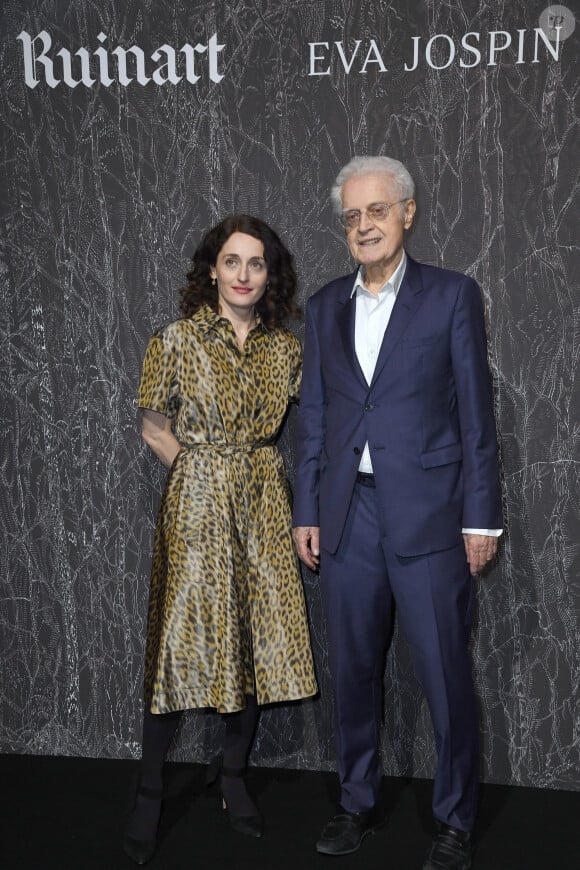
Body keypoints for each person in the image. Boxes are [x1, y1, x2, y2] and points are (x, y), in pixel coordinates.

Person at [293, 156, 502, 870]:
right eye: (351, 216)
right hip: (348, 517)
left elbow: (476, 413)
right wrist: (307, 508)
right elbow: (315, 419)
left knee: (444, 672)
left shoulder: (452, 296)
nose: (363, 226)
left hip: (432, 518)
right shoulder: (323, 307)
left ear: (407, 213)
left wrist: (482, 516)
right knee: (352, 671)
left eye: (376, 211)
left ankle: (453, 821)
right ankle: (356, 803)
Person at [124, 214, 317, 865]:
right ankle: (150, 792)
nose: (243, 274)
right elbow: (154, 426)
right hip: (196, 505)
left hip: (263, 506)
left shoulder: (286, 350)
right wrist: (199, 474)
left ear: (270, 276)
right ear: (212, 268)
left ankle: (232, 777)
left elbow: (313, 426)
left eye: (256, 264)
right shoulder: (174, 340)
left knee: (254, 643)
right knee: (177, 648)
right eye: (232, 261)